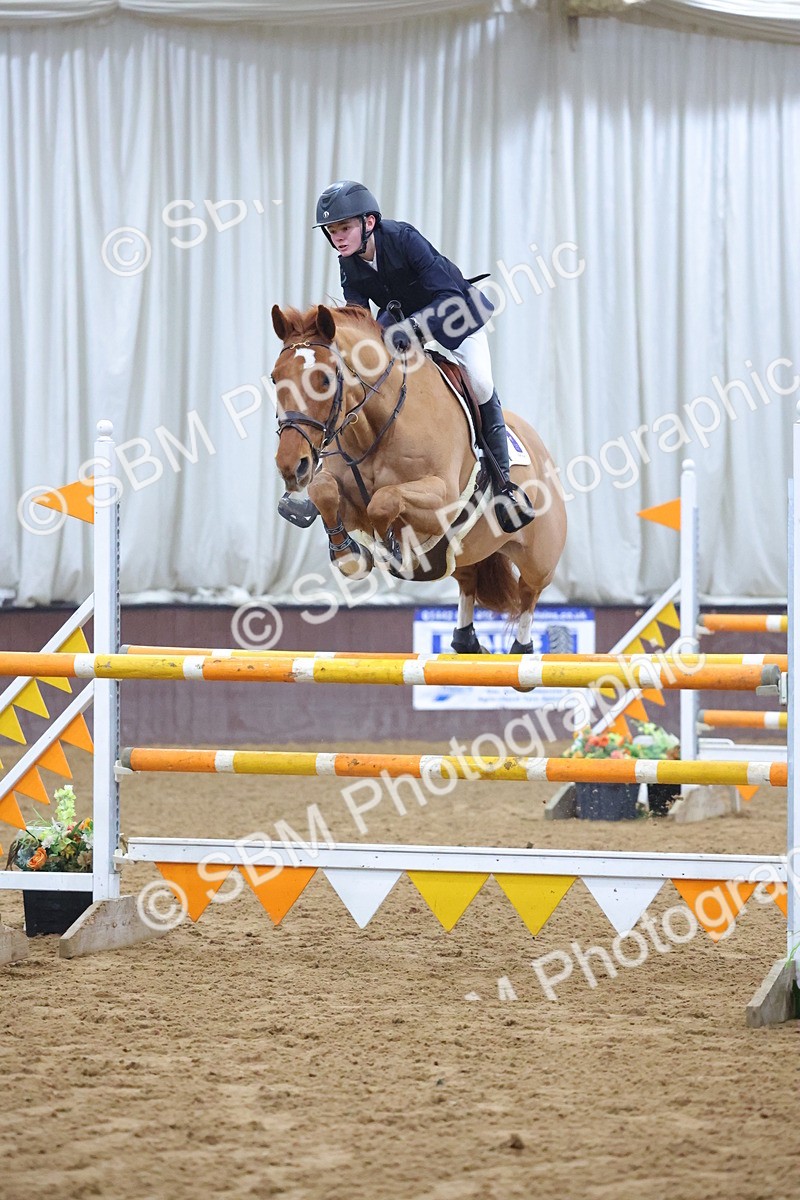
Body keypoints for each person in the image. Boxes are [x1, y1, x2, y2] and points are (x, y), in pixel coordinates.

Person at [312, 180, 535, 529]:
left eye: (345, 228)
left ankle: (502, 483)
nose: (338, 237)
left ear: (368, 223)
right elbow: (358, 315)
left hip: (454, 315)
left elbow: (447, 296)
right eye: (332, 231)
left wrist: (415, 327)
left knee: (479, 382)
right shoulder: (349, 263)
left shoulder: (402, 238)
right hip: (400, 321)